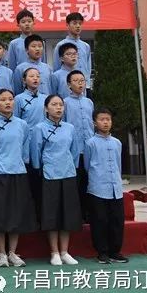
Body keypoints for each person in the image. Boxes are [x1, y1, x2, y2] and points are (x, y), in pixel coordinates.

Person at [0, 89, 37, 267]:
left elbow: (25, 149)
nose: (7, 102)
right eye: (3, 100)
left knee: (16, 214)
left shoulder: (22, 124)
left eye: (10, 99)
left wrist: (22, 163)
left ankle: (13, 252)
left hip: (18, 172)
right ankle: (2, 253)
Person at [30, 95, 82, 266]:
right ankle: (54, 252)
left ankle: (65, 251)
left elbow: (74, 151)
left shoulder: (70, 128)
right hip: (49, 174)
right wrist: (40, 168)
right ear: (46, 108)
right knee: (52, 215)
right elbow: (36, 152)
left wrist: (71, 167)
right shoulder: (39, 128)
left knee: (67, 214)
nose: (58, 108)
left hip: (67, 173)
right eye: (54, 105)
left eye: (61, 105)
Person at [84, 108, 128, 264]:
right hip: (97, 188)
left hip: (115, 187)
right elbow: (87, 165)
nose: (105, 122)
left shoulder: (117, 143)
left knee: (117, 220)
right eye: (102, 119)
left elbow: (118, 164)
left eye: (108, 119)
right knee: (100, 221)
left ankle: (115, 251)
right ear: (94, 123)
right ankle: (102, 252)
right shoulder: (90, 143)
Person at [64, 70, 94, 220]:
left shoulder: (89, 102)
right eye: (76, 81)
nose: (80, 83)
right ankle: (78, 215)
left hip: (89, 147)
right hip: (74, 150)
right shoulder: (64, 103)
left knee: (89, 182)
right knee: (76, 183)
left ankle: (89, 214)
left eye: (82, 80)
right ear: (69, 84)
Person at [53, 13, 92, 92]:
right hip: (68, 87)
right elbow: (56, 67)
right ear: (67, 25)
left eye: (80, 23)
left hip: (84, 87)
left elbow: (88, 67)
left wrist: (87, 83)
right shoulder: (60, 45)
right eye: (74, 23)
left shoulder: (86, 46)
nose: (78, 26)